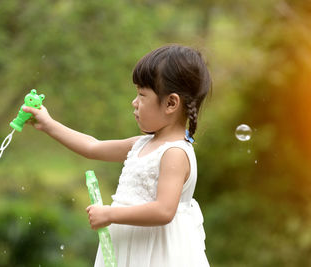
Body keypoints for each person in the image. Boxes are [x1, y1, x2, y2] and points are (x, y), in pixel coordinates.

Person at [23, 44, 211, 267]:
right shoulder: (143, 144)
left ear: (171, 103)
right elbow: (93, 147)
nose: (134, 102)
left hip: (157, 255)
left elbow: (164, 210)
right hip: (129, 249)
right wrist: (48, 124)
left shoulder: (174, 153)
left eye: (142, 95)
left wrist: (111, 214)